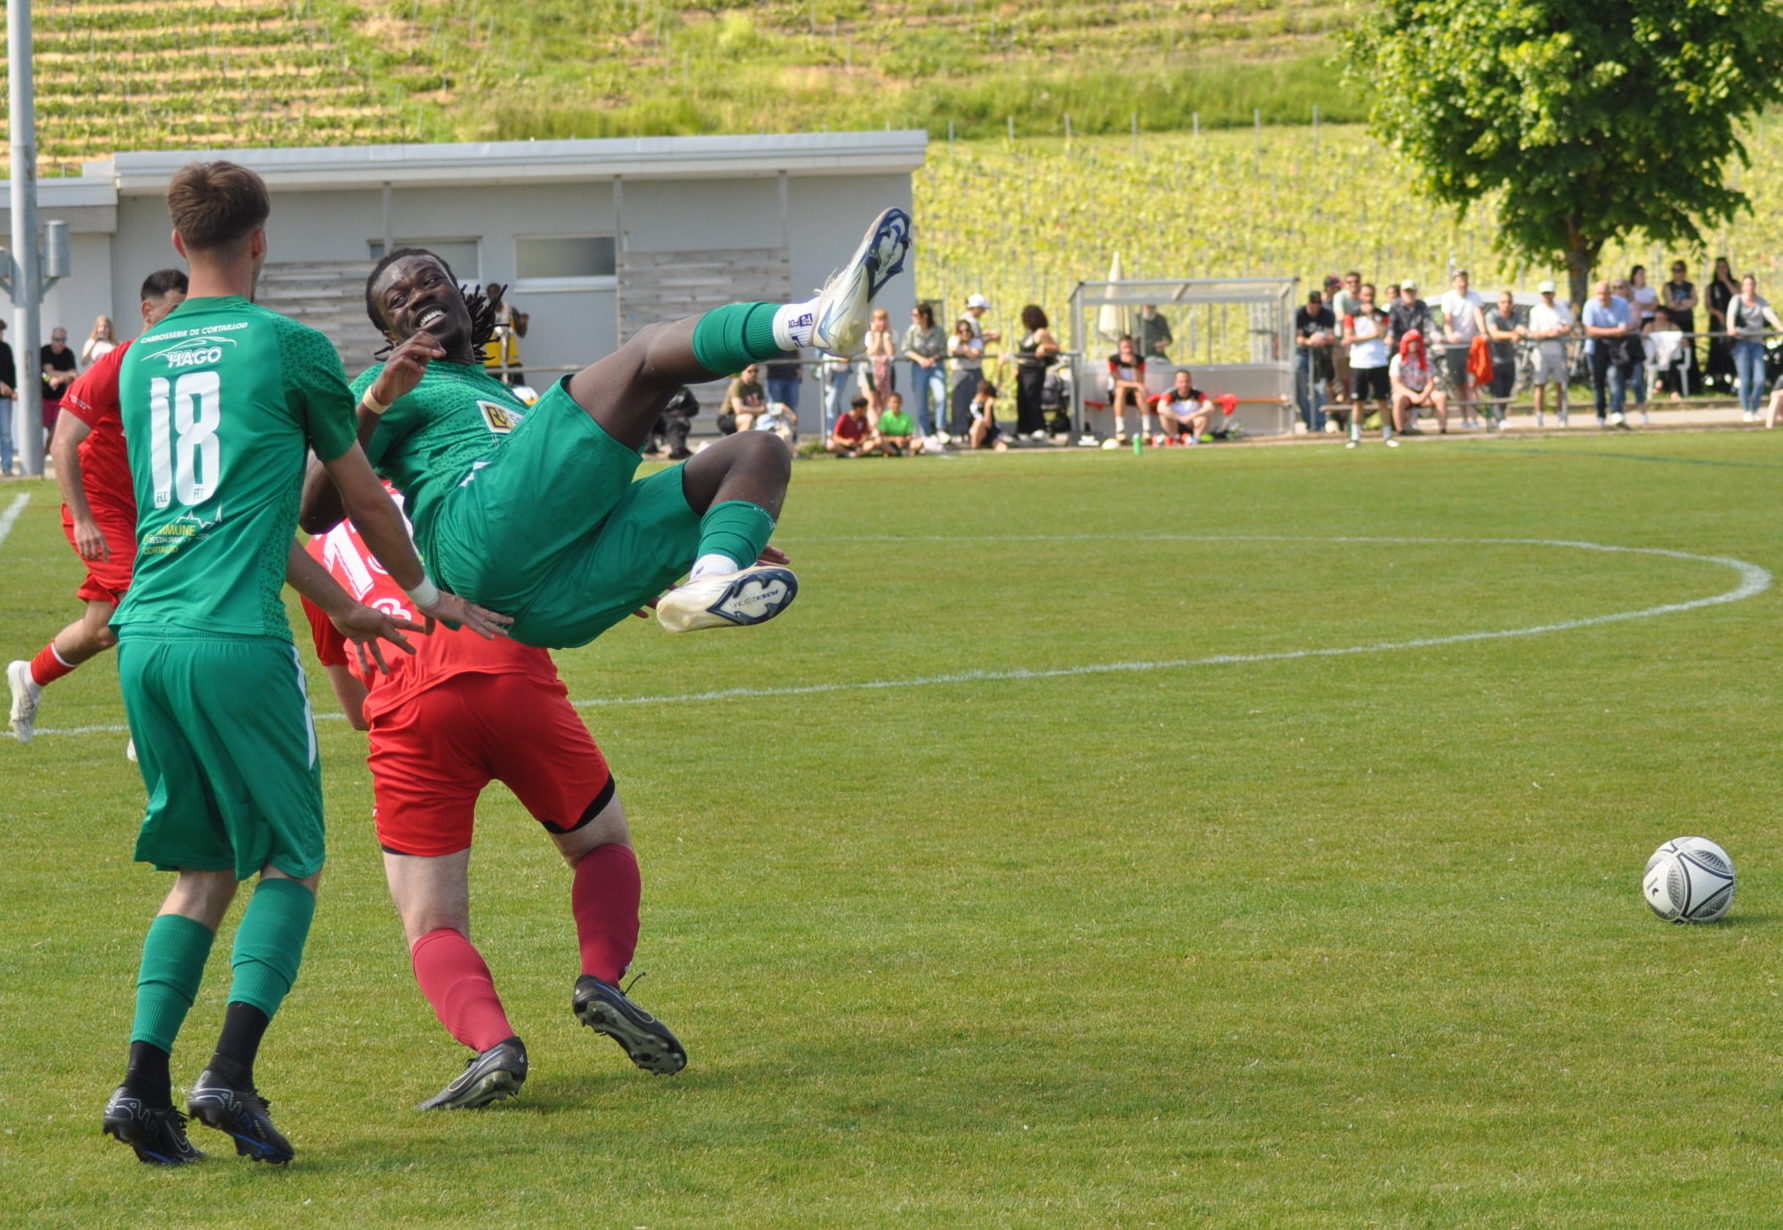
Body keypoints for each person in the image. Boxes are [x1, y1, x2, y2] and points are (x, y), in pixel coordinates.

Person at [100, 160, 503, 1168]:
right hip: (236, 641)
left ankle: (142, 1088)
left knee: (202, 869)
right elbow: (361, 497)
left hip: (147, 638)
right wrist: (422, 596)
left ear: (179, 244)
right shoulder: (290, 348)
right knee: (293, 862)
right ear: (262, 239)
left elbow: (221, 516)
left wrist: (338, 606)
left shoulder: (146, 358)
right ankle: (227, 1078)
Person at [301, 205, 912, 645]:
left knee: (757, 454)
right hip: (475, 534)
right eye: (397, 300)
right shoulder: (393, 384)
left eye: (429, 279)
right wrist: (376, 401)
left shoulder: (506, 398)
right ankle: (814, 323)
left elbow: (563, 498)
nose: (416, 296)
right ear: (389, 335)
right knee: (648, 357)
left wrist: (690, 538)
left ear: (460, 295)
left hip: (542, 611)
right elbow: (315, 512)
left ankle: (710, 579)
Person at [299, 492, 707, 1109]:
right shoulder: (456, 482)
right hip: (511, 677)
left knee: (431, 922)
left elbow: (355, 711)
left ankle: (494, 1044)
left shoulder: (319, 543)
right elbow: (560, 537)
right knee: (600, 844)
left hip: (411, 715)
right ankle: (600, 978)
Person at [7, 269, 189, 749]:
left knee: (103, 629)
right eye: (173, 311)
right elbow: (62, 442)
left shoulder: (187, 368)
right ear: (147, 312)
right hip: (97, 509)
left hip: (144, 515)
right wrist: (84, 517)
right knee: (147, 604)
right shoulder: (121, 363)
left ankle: (30, 676)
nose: (182, 321)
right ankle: (149, 728)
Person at [1341, 283, 1396, 448]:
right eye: (1365, 295)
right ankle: (1355, 437)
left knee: (1383, 401)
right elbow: (1350, 337)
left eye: (1371, 294)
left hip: (1379, 361)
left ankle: (1387, 436)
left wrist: (1372, 318)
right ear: (1361, 296)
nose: (1368, 298)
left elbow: (1383, 333)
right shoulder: (1352, 315)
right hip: (1359, 363)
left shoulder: (1381, 315)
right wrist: (1373, 335)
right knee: (1358, 402)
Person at [1582, 279, 1638, 429]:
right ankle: (1600, 414)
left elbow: (1623, 329)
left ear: (1610, 293)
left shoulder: (1621, 304)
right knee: (1597, 382)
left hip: (1615, 348)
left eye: (1605, 293)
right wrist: (1611, 332)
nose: (1603, 297)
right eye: (1599, 294)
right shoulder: (1590, 305)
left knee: (1615, 378)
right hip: (1595, 348)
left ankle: (1616, 411)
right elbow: (1590, 330)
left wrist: (1603, 332)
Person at [1726, 273, 1781, 422]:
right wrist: (1731, 328)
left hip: (1756, 343)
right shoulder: (1736, 300)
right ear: (1743, 287)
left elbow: (1770, 316)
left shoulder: (1760, 302)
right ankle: (1746, 410)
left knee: (1760, 379)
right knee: (1744, 379)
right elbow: (1730, 317)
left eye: (1752, 285)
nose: (1749, 288)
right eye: (1747, 285)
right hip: (1741, 343)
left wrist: (1780, 327)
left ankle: (1755, 408)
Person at [1438, 270, 1487, 427]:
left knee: (1472, 384)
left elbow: (1478, 315)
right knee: (1459, 384)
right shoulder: (1448, 298)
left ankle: (1474, 418)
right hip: (1456, 347)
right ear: (1454, 282)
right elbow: (1448, 319)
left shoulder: (1474, 297)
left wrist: (1483, 332)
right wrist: (1450, 334)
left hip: (1470, 346)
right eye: (1459, 281)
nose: (1462, 284)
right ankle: (1464, 418)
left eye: (1464, 280)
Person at [1526, 280, 1574, 427]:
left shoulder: (1561, 309)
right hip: (1542, 349)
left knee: (1561, 384)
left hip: (1558, 349)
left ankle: (1561, 414)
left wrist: (1559, 331)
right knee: (1540, 384)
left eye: (1549, 293)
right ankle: (1539, 415)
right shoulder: (1536, 311)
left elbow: (1568, 326)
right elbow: (1534, 332)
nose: (1547, 296)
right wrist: (1547, 333)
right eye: (1545, 294)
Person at [901, 302, 945, 444]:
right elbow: (906, 350)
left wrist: (932, 359)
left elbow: (943, 350)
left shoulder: (938, 331)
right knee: (921, 402)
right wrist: (921, 360)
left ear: (924, 316)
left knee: (941, 396)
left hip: (936, 366)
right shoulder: (912, 331)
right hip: (919, 367)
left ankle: (940, 429)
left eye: (915, 315)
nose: (912, 317)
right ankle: (925, 433)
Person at [1012, 304, 1058, 440]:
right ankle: (1023, 429)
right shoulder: (1028, 334)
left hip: (1034, 369)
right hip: (1023, 369)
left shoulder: (1041, 333)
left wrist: (1045, 347)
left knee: (1032, 396)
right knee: (1022, 398)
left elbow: (1056, 347)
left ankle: (1037, 427)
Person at [1389, 329, 1447, 434]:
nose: (1414, 344)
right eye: (1411, 342)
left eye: (1416, 341)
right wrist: (1412, 395)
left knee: (1440, 396)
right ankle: (1401, 430)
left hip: (1423, 391)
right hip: (1405, 393)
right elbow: (1396, 384)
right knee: (1397, 398)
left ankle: (1443, 429)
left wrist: (1423, 395)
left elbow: (1430, 382)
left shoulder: (1426, 359)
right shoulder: (1397, 360)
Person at [1293, 290, 1336, 432]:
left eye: (1318, 303)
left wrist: (1321, 340)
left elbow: (1332, 337)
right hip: (1303, 352)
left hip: (1321, 354)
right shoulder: (1300, 313)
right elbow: (1298, 338)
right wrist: (1309, 341)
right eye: (1313, 303)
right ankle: (1309, 421)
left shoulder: (1327, 314)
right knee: (1301, 385)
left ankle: (1320, 422)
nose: (1316, 306)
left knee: (1320, 388)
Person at [1483, 290, 1523, 427]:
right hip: (1494, 360)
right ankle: (1499, 419)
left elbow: (1521, 328)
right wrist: (1512, 335)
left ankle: (1501, 418)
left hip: (1509, 359)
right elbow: (1494, 333)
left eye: (1509, 302)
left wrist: (1522, 332)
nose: (1506, 305)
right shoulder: (1492, 315)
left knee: (1506, 391)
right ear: (1498, 303)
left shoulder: (1516, 316)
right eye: (1503, 302)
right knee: (1497, 391)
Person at [481, 285, 528, 386]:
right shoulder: (485, 313)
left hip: (512, 361)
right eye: (490, 293)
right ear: (487, 295)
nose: (493, 296)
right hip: (492, 363)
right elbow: (481, 337)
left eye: (496, 292)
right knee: (493, 395)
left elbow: (521, 333)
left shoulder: (512, 311)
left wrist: (524, 324)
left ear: (501, 293)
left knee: (519, 392)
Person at [1106, 334, 1148, 444]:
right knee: (1121, 391)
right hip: (1118, 391)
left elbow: (1140, 381)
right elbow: (1118, 382)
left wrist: (1134, 367)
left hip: (1134, 390)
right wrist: (1137, 385)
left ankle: (1146, 429)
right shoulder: (1113, 360)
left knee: (1140, 393)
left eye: (1130, 347)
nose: (1128, 350)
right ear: (1120, 348)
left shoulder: (1140, 360)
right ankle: (1120, 430)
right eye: (1125, 347)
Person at [1662, 261, 1698, 388]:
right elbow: (1669, 303)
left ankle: (1692, 383)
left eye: (1680, 270)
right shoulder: (1668, 286)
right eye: (1675, 270)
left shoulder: (1690, 286)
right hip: (1673, 323)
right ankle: (1671, 383)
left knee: (1689, 349)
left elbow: (1694, 301)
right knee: (1673, 351)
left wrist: (1678, 303)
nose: (1678, 273)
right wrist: (1683, 303)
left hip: (1687, 321)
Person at [1329, 271, 1364, 404]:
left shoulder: (1363, 298)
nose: (1353, 285)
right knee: (1341, 376)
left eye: (1356, 282)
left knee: (1355, 376)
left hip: (1359, 341)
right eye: (1350, 282)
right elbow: (1340, 316)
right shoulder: (1340, 297)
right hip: (1342, 340)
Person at [1153, 369, 1215, 444]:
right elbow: (1161, 408)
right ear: (1176, 383)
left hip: (1192, 423)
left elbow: (1209, 407)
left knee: (1205, 415)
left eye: (1187, 381)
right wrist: (1180, 418)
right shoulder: (1170, 394)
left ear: (1191, 382)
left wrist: (1192, 416)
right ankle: (1175, 438)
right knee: (1163, 415)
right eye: (1181, 382)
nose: (1184, 385)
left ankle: (1195, 439)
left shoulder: (1197, 394)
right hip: (1176, 423)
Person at [947, 316, 984, 438]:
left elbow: (974, 356)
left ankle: (975, 431)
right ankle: (959, 431)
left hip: (975, 373)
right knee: (959, 404)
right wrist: (967, 350)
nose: (965, 334)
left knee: (975, 403)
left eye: (967, 330)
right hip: (959, 373)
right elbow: (952, 349)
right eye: (961, 331)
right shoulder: (953, 340)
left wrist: (963, 350)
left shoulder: (976, 341)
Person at [40, 326, 78, 443]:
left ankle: (46, 452)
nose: (61, 343)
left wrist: (58, 378)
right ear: (52, 339)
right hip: (44, 396)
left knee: (56, 427)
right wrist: (65, 376)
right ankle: (46, 451)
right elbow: (48, 372)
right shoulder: (45, 351)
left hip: (60, 398)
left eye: (63, 340)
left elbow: (74, 375)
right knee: (48, 427)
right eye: (58, 340)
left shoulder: (68, 353)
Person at [1706, 255, 1738, 393]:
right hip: (1717, 321)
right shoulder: (1711, 287)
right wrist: (1717, 313)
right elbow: (1708, 305)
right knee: (1717, 349)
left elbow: (1738, 296)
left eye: (1724, 267)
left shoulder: (1734, 283)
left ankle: (1732, 378)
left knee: (1731, 349)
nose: (1722, 269)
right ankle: (1718, 379)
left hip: (1733, 321)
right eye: (1719, 267)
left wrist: (1726, 281)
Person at [647, 386, 698, 459]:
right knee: (648, 419)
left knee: (675, 423)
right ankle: (649, 447)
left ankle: (678, 450)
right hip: (657, 418)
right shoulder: (655, 388)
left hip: (675, 419)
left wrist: (681, 412)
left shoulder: (684, 391)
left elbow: (694, 408)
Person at [863, 306, 897, 417]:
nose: (882, 323)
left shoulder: (893, 334)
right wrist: (877, 336)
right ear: (874, 321)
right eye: (879, 320)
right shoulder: (869, 335)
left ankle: (882, 429)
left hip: (887, 371)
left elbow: (890, 352)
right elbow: (871, 352)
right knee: (872, 401)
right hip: (870, 371)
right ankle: (874, 430)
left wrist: (886, 337)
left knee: (884, 402)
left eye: (884, 319)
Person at [1387, 279, 1433, 352]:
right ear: (1401, 293)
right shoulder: (1395, 306)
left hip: (1418, 345)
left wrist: (1434, 334)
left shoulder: (1422, 305)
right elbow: (1391, 324)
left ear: (1416, 292)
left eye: (1411, 292)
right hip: (1399, 345)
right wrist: (1390, 336)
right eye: (1406, 292)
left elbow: (1428, 322)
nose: (1409, 294)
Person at [720, 363, 767, 433]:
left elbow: (764, 407)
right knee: (748, 418)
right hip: (727, 417)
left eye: (756, 371)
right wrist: (758, 409)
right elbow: (739, 409)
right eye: (750, 371)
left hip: (749, 415)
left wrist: (760, 409)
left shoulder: (758, 387)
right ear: (742, 372)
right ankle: (740, 443)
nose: (753, 374)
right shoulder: (737, 385)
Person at [967, 379, 1007, 451]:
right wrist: (987, 408)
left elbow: (991, 426)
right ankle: (974, 448)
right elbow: (986, 424)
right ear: (983, 394)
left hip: (991, 434)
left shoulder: (986, 405)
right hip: (978, 434)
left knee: (1002, 447)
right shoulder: (973, 407)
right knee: (978, 423)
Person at [761, 351, 802, 421]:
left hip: (791, 377)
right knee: (776, 407)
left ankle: (791, 430)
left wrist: (800, 368)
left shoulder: (792, 341)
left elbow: (797, 350)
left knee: (792, 407)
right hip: (775, 377)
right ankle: (776, 429)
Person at [0, 320, 14, 479]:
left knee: (5, 434)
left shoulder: (5, 348)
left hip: (5, 398)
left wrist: (13, 389)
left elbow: (11, 370)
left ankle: (7, 467)